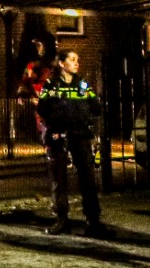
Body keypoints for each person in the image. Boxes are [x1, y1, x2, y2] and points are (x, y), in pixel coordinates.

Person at [37, 49, 104, 236]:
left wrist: (89, 102)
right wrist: (56, 124)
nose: (76, 63)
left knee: (88, 179)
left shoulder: (82, 84)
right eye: (72, 59)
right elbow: (42, 108)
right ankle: (62, 220)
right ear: (61, 64)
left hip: (80, 134)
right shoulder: (51, 85)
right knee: (59, 179)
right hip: (58, 135)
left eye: (77, 59)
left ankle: (93, 221)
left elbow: (96, 108)